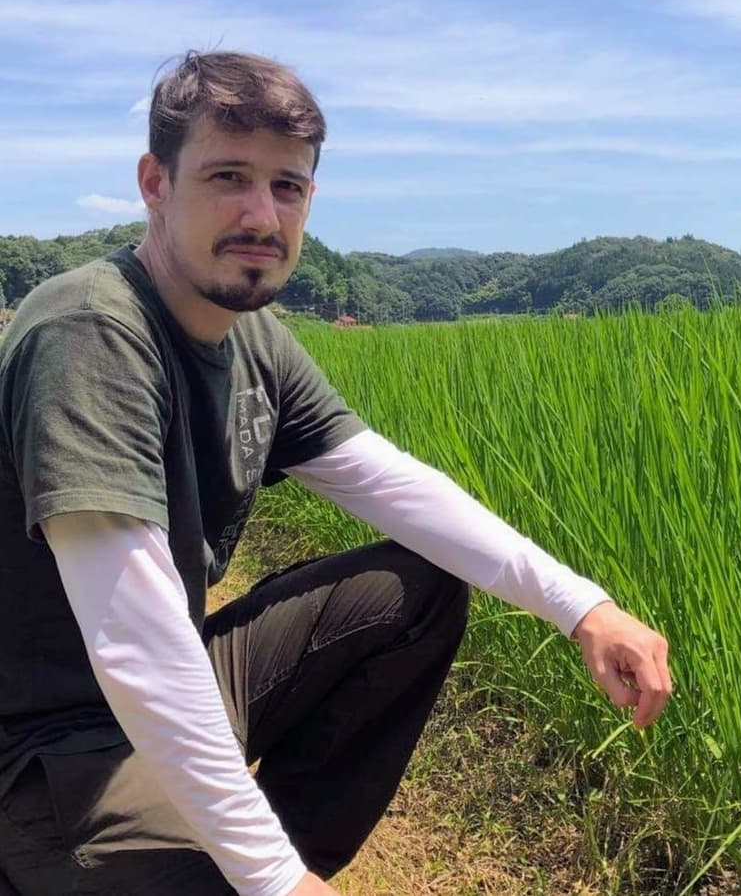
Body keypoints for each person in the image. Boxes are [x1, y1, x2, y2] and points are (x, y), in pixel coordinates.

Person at [0, 51, 672, 896]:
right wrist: (268, 876)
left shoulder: (253, 339)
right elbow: (132, 632)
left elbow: (391, 482)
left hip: (162, 688)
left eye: (287, 186)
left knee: (418, 582)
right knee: (249, 874)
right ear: (155, 182)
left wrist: (583, 607)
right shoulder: (90, 330)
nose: (260, 213)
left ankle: (260, 854)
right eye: (228, 176)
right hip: (47, 748)